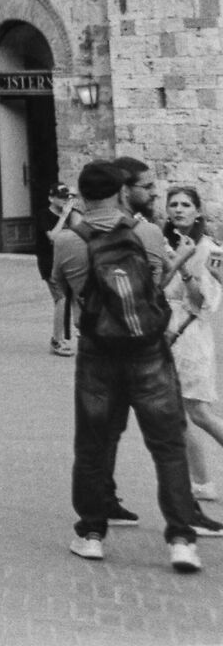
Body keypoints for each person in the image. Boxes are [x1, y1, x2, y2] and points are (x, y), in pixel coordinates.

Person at [58, 160, 200, 571]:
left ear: (81, 196)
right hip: (148, 352)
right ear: (121, 192)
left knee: (93, 446)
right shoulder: (148, 233)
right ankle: (181, 540)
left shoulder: (68, 240)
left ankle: (91, 533)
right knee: (168, 446)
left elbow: (64, 289)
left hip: (97, 354)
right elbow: (155, 289)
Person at [161, 187, 223, 524]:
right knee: (178, 413)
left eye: (186, 205)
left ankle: (202, 481)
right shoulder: (161, 242)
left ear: (198, 211)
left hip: (190, 334)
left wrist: (184, 267)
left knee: (198, 412)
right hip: (163, 333)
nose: (179, 210)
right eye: (173, 205)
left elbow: (203, 304)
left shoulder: (210, 250)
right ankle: (202, 482)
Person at [46, 182, 83, 356]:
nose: (63, 201)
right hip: (50, 263)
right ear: (51, 198)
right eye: (60, 197)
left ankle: (82, 332)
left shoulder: (71, 215)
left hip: (69, 262)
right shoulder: (44, 215)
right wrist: (64, 216)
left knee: (77, 296)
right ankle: (56, 340)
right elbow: (53, 237)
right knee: (61, 299)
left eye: (66, 197)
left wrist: (74, 208)